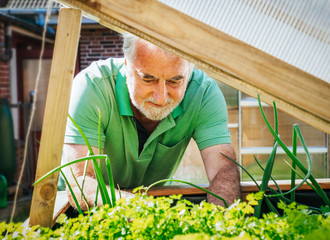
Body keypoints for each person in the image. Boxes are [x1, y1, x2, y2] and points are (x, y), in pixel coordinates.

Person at [62, 33, 240, 210]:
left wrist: (221, 226)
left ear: (189, 72)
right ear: (126, 65)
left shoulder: (203, 93)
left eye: (175, 81)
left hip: (148, 208)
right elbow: (80, 182)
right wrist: (146, 209)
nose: (161, 98)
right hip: (77, 209)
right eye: (148, 79)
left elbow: (223, 170)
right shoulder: (92, 87)